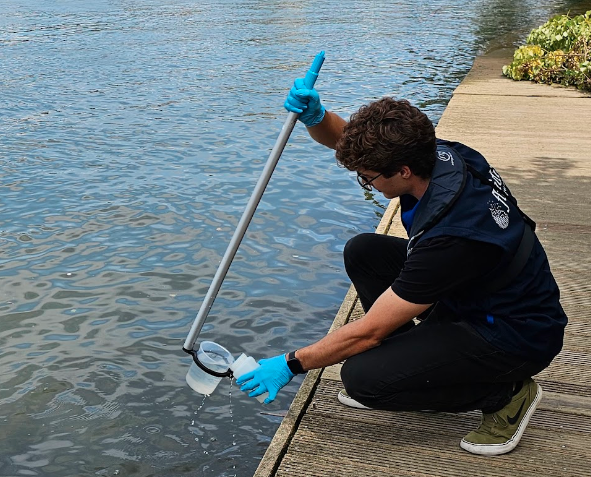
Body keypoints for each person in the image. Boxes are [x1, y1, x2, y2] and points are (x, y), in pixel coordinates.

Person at [235, 75, 568, 456]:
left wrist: (291, 363)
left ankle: (505, 395)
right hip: (477, 290)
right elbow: (363, 149)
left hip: (516, 333)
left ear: (404, 171)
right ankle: (410, 369)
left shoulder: (451, 237)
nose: (365, 182)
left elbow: (368, 333)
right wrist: (318, 118)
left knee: (363, 380)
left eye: (368, 178)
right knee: (364, 251)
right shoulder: (437, 154)